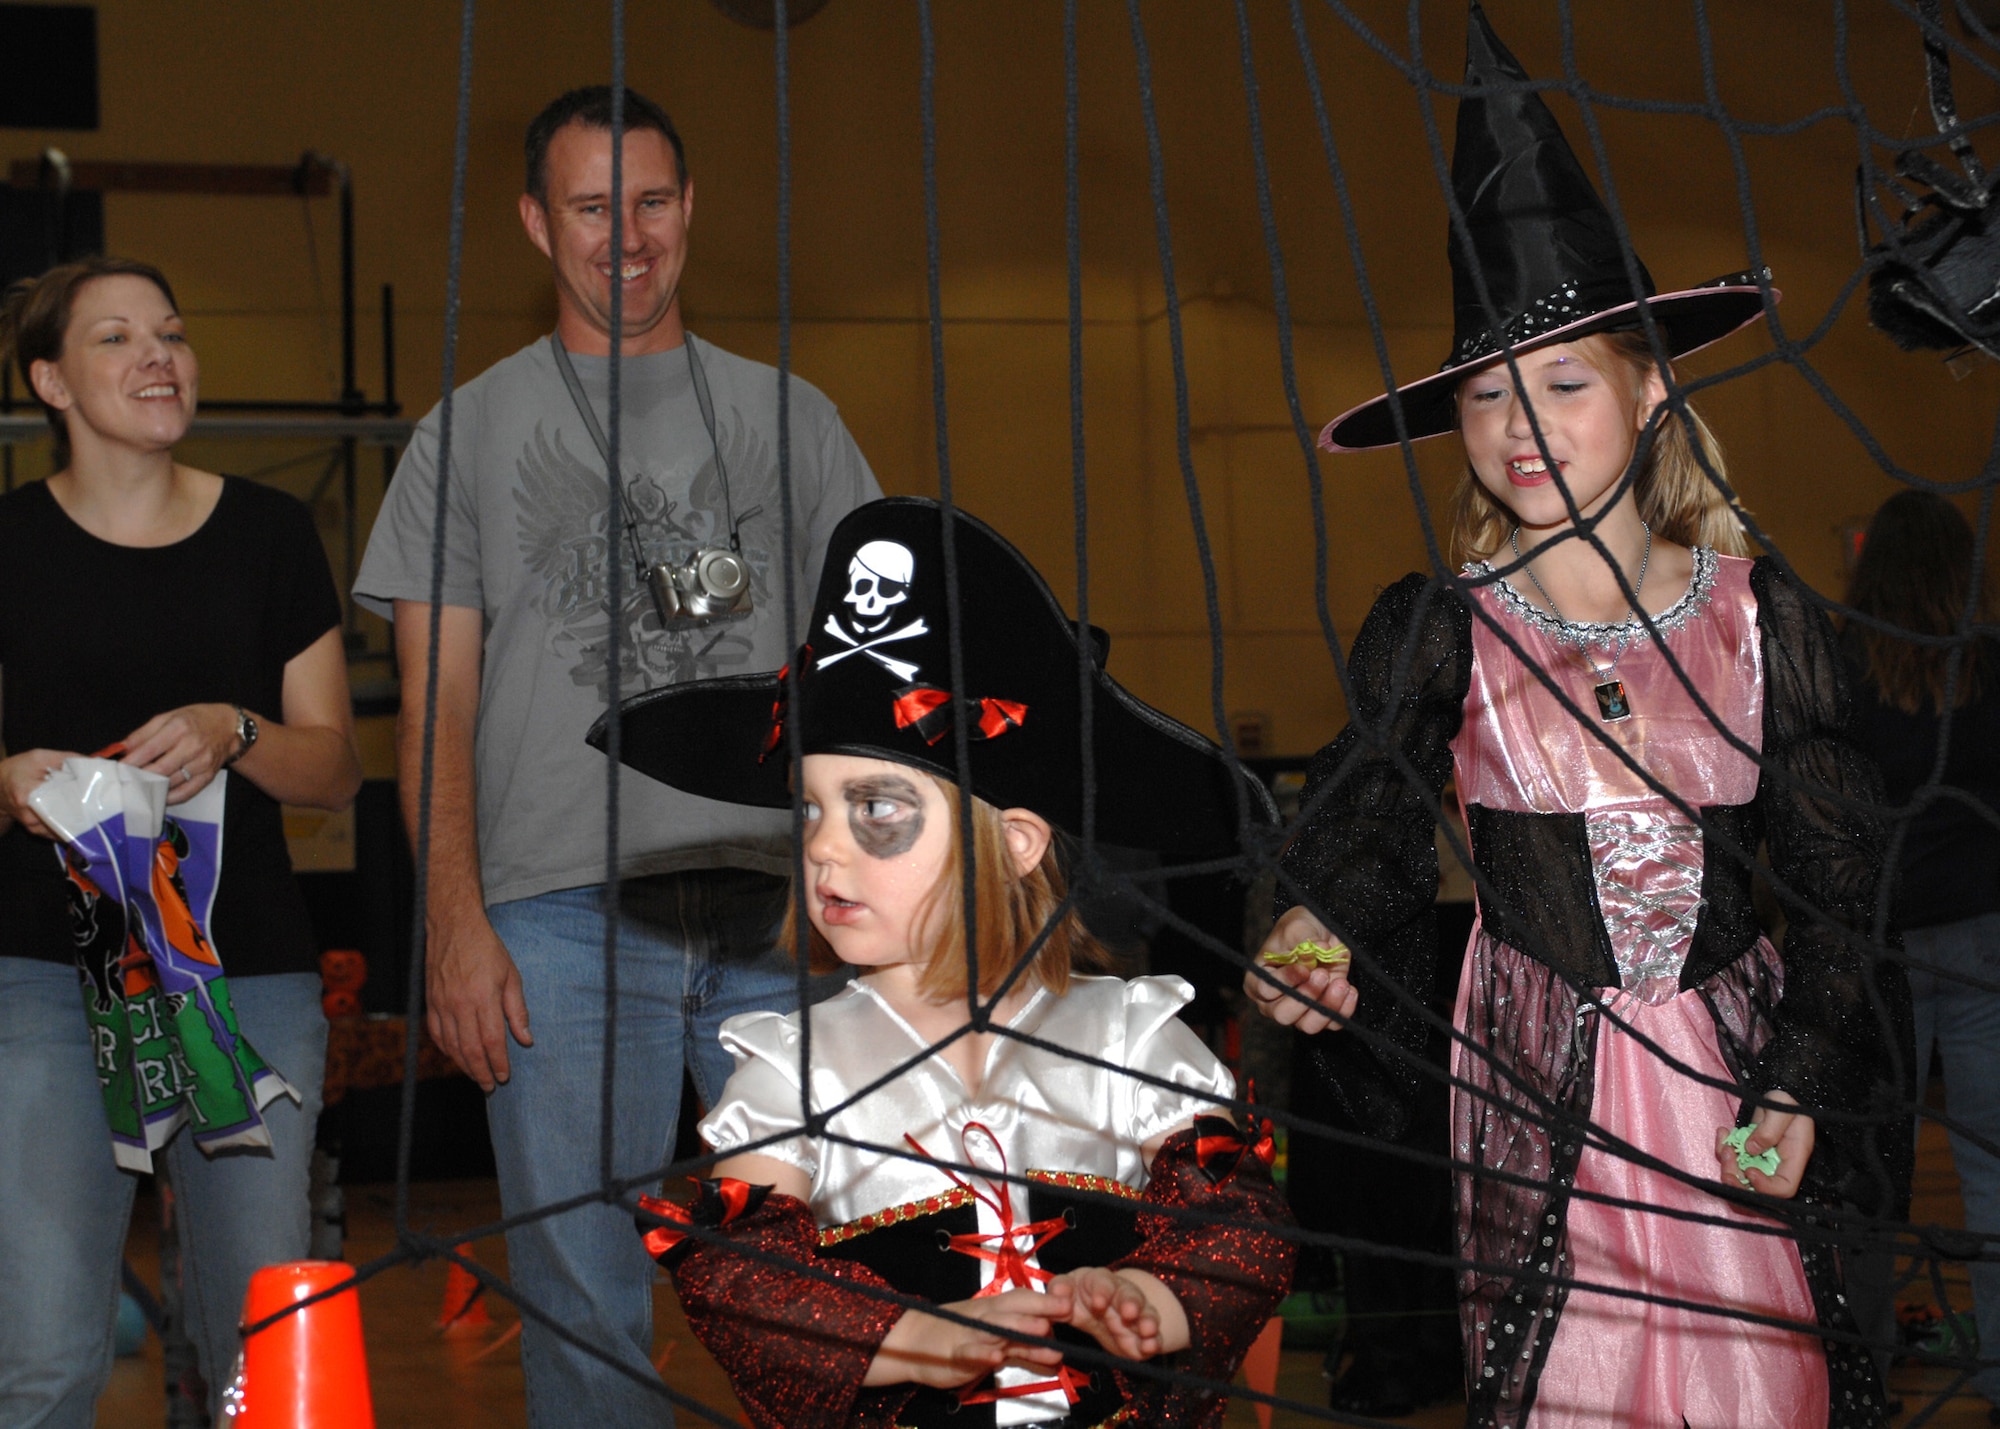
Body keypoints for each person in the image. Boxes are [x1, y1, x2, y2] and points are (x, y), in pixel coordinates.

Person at [1241, 9, 1911, 1427]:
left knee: (1757, 1379)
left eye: (1562, 384)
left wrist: (1796, 1084)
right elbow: (1360, 828)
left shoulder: (1761, 614)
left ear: (1652, 391)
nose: (1520, 423)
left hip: (1735, 1090)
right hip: (1536, 1094)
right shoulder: (1444, 630)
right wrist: (1309, 933)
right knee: (1570, 1385)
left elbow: (1844, 880)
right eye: (1487, 392)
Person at [351, 85, 881, 1423]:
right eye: (593, 206)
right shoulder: (466, 435)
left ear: (688, 209)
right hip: (563, 925)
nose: (625, 235)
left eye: (650, 202)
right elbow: (432, 707)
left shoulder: (794, 419)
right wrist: (457, 928)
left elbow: (881, 679)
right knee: (587, 1319)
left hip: (787, 913)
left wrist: (902, 901)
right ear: (539, 222)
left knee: (848, 1285)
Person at [604, 497, 1296, 1429]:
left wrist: (1150, 1297)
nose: (824, 851)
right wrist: (903, 1333)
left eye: (877, 811)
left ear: (1014, 841)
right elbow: (735, 1272)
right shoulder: (792, 1065)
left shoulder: (1129, 1034)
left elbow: (1243, 1228)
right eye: (810, 811)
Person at [0, 256, 361, 1425]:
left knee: (255, 1355)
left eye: (173, 331)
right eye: (116, 339)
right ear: (49, 379)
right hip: (46, 981)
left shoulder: (268, 533)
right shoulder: (7, 541)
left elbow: (334, 769)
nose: (160, 355)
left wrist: (233, 726)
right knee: (48, 1359)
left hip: (243, 978)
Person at [1843, 490, 2000, 1421]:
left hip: (1879, 943)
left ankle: (1859, 1379)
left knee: (1869, 1178)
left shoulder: (1841, 669)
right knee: (1992, 1172)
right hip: (1983, 937)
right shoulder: (1990, 667)